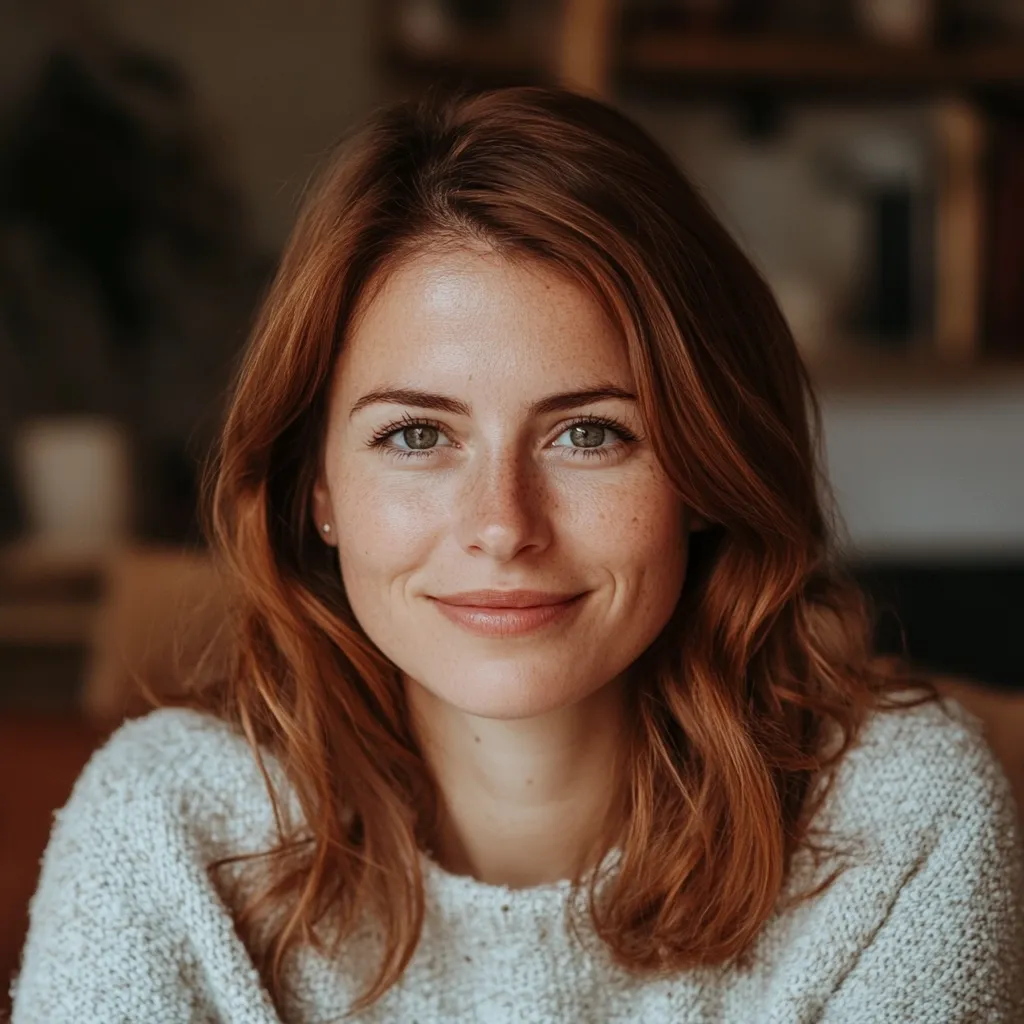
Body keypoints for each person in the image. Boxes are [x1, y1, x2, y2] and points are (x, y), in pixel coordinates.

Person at [11, 85, 1023, 1023]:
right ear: (315, 486)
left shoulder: (900, 819)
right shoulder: (166, 828)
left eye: (589, 434)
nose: (502, 524)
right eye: (416, 435)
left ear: (704, 473)